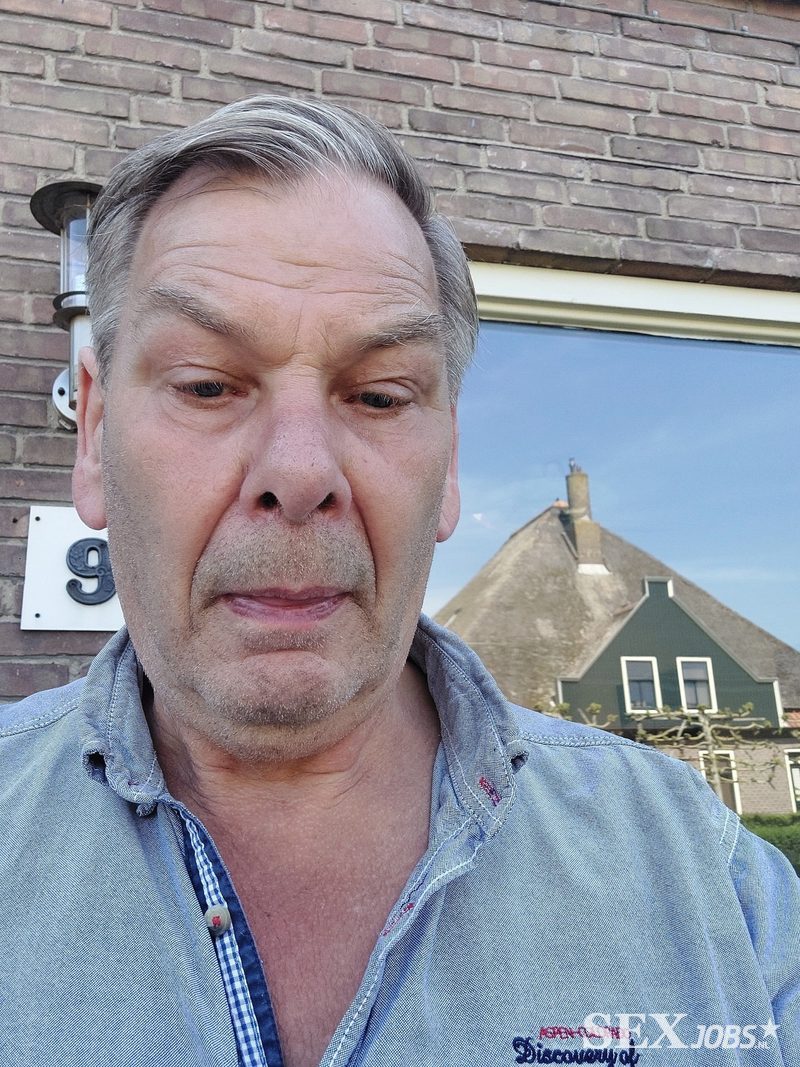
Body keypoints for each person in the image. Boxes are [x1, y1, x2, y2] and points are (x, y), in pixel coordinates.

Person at [2, 96, 798, 1067]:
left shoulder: (712, 889)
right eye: (207, 384)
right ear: (92, 434)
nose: (300, 472)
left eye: (379, 395)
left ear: (449, 462)